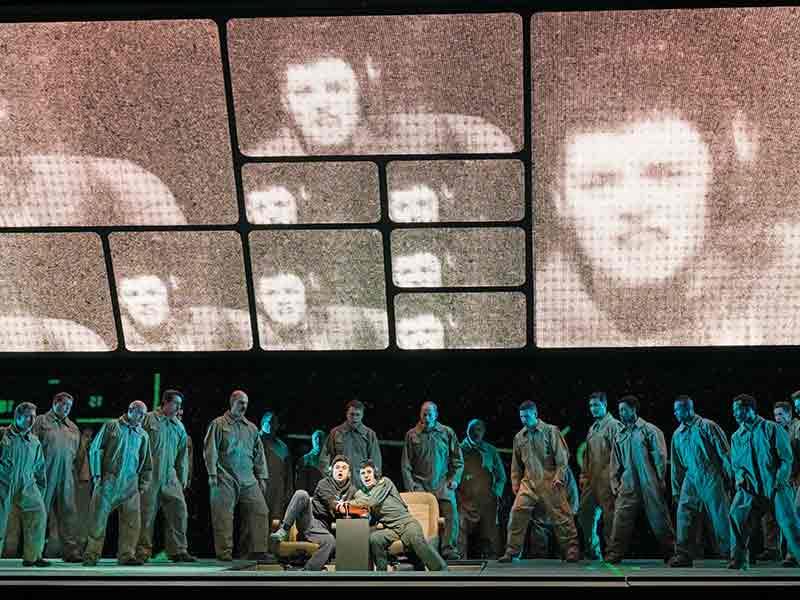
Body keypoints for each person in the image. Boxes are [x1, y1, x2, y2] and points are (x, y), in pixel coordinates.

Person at [533, 11, 796, 348]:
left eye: (666, 175)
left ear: (716, 180)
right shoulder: (525, 323)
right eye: (598, 182)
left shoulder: (785, 288)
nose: (633, 206)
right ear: (561, 201)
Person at [498, 400, 579, 563]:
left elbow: (562, 458)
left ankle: (571, 548)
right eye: (521, 417)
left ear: (535, 414)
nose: (524, 420)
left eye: (527, 416)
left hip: (550, 480)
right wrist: (515, 482)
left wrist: (559, 476)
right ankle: (512, 551)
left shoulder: (550, 431)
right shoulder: (519, 437)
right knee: (516, 513)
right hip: (529, 483)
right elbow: (516, 464)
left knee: (562, 515)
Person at [729, 393, 800, 569]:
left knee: (789, 525)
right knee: (736, 516)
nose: (735, 414)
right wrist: (739, 478)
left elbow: (786, 458)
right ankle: (738, 560)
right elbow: (736, 464)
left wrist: (780, 481)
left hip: (775, 485)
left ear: (750, 409)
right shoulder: (737, 436)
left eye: (739, 410)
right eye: (734, 411)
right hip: (751, 487)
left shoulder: (772, 429)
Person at [605, 395, 675, 564]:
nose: (621, 413)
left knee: (659, 518)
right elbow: (614, 461)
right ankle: (615, 553)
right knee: (621, 517)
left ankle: (671, 552)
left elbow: (660, 456)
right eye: (620, 410)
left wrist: (660, 480)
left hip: (649, 481)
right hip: (629, 482)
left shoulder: (650, 430)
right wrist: (615, 482)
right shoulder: (619, 434)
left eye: (624, 410)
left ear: (634, 410)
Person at [83, 401, 152, 566]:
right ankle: (91, 555)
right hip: (109, 480)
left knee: (131, 522)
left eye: (144, 414)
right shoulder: (112, 426)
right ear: (130, 411)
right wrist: (97, 475)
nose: (142, 418)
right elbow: (95, 449)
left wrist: (142, 484)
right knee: (98, 519)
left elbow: (147, 462)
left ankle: (127, 555)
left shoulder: (142, 434)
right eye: (140, 413)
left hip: (130, 483)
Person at [203, 390, 269, 561]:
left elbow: (259, 454)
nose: (244, 406)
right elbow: (210, 450)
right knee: (223, 516)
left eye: (246, 403)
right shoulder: (218, 424)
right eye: (240, 402)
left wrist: (262, 477)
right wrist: (212, 473)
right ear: (232, 402)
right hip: (225, 476)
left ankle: (258, 550)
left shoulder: (252, 428)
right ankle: (224, 553)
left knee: (260, 510)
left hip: (247, 477)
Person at [668, 395, 732, 567]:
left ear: (688, 408)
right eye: (674, 410)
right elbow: (676, 465)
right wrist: (676, 489)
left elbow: (725, 454)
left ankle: (732, 553)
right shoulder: (678, 434)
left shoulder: (707, 426)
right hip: (691, 477)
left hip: (711, 473)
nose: (675, 413)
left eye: (678, 410)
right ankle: (684, 554)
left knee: (720, 516)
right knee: (684, 514)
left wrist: (731, 478)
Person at [350, 460, 447, 571]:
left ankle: (442, 571)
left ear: (375, 474)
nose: (366, 476)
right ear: (359, 477)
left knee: (416, 539)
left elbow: (372, 501)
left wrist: (347, 504)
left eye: (369, 472)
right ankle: (381, 575)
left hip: (407, 524)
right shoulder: (360, 494)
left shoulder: (384, 482)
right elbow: (367, 513)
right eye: (363, 473)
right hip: (392, 529)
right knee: (375, 539)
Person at [135, 389, 196, 563]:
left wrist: (183, 477)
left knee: (179, 510)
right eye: (176, 403)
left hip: (170, 475)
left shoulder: (179, 425)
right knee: (146, 514)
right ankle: (142, 551)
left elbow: (182, 454)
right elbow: (136, 443)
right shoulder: (148, 418)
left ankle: (178, 550)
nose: (179, 407)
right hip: (149, 473)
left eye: (180, 404)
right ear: (166, 403)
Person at [270, 455, 357, 571]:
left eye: (344, 468)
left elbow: (359, 508)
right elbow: (333, 505)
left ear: (349, 473)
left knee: (330, 541)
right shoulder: (324, 484)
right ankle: (284, 530)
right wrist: (349, 507)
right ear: (332, 471)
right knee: (302, 494)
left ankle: (308, 572)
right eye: (337, 467)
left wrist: (358, 509)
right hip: (309, 520)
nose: (340, 470)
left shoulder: (352, 490)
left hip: (326, 528)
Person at [401, 401, 463, 560]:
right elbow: (406, 464)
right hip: (420, 485)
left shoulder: (446, 432)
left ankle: (449, 549)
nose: (427, 417)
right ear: (420, 414)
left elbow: (458, 460)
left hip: (442, 483)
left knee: (451, 514)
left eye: (430, 414)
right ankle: (421, 549)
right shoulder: (412, 434)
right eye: (424, 414)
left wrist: (454, 479)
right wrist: (411, 487)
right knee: (419, 518)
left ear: (436, 415)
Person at [30, 392, 82, 562]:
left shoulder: (73, 427)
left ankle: (70, 551)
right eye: (64, 404)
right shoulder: (40, 421)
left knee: (68, 513)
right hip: (44, 474)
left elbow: (77, 455)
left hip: (66, 475)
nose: (67, 409)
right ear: (55, 402)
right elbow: (29, 445)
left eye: (69, 406)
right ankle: (34, 553)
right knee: (39, 513)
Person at [0, 402, 49, 567]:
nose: (32, 420)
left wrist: (40, 489)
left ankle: (33, 556)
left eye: (34, 417)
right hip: (3, 482)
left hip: (27, 483)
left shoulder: (34, 441)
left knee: (38, 513)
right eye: (28, 416)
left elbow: (40, 467)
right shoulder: (2, 435)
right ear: (17, 417)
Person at [576, 392, 622, 560]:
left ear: (605, 405)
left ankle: (612, 551)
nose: (593, 409)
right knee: (584, 513)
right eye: (591, 406)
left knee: (610, 517)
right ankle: (593, 551)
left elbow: (620, 455)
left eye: (596, 405)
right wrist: (583, 475)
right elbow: (587, 456)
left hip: (608, 479)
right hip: (591, 480)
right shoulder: (593, 428)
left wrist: (617, 479)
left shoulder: (614, 426)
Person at [457, 418, 505, 559]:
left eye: (479, 429)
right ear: (467, 431)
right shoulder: (459, 450)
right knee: (460, 532)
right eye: (473, 429)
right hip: (464, 500)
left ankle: (491, 567)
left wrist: (496, 494)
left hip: (486, 500)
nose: (476, 433)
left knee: (489, 536)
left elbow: (501, 476)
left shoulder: (491, 451)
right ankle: (460, 565)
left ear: (484, 432)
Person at [319, 400, 382, 483]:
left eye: (357, 415)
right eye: (352, 414)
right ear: (347, 414)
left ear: (362, 415)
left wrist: (373, 481)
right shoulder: (336, 433)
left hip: (361, 484)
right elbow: (325, 457)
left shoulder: (369, 435)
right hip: (340, 483)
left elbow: (375, 461)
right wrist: (329, 477)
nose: (354, 418)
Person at [295, 430, 325, 494]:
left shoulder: (330, 459)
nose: (318, 441)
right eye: (316, 438)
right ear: (312, 440)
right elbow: (300, 482)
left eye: (321, 438)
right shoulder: (305, 459)